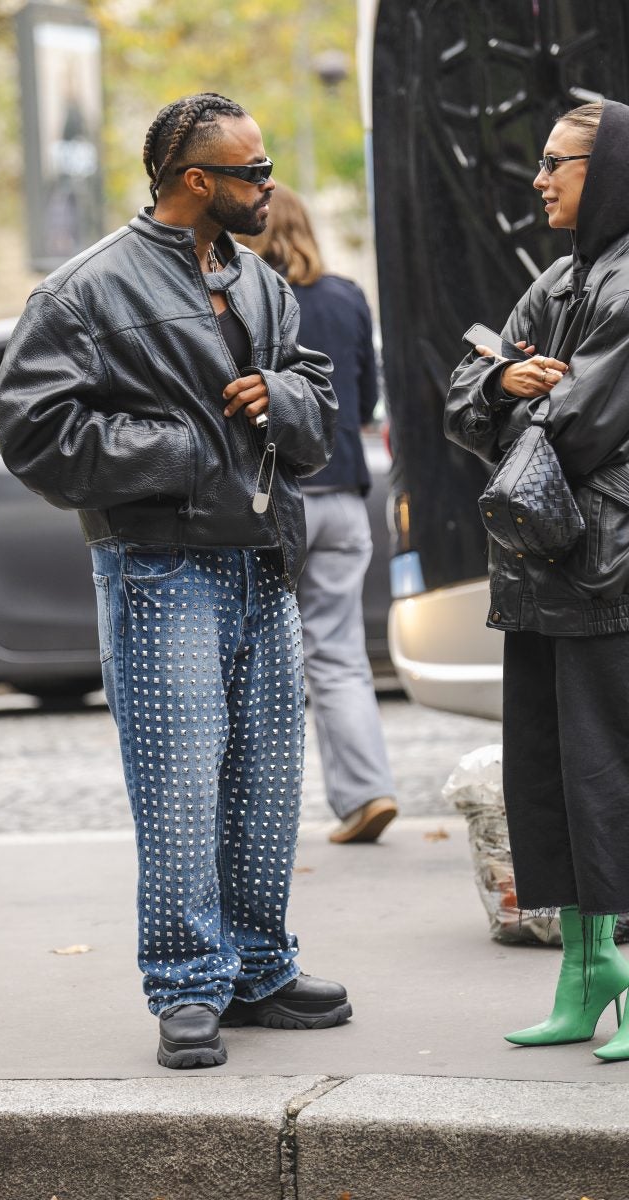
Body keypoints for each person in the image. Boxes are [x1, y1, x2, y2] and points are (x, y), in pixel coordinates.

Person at [0, 93, 350, 1069]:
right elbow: (31, 428)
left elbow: (318, 408)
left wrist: (277, 397)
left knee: (267, 783)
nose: (269, 185)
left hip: (260, 561)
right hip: (159, 568)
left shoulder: (261, 283)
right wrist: (186, 450)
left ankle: (258, 968)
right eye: (253, 172)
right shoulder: (84, 292)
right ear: (198, 182)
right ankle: (188, 986)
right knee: (181, 791)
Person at [445, 99, 629, 1061]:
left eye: (559, 163)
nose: (541, 179)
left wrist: (519, 391)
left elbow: (588, 423)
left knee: (616, 778)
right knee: (553, 780)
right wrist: (502, 382)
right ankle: (587, 970)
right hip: (540, 569)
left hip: (610, 571)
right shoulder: (557, 279)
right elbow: (462, 403)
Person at [242, 185, 397, 844]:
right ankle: (366, 793)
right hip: (345, 500)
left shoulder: (247, 302)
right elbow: (363, 403)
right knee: (338, 655)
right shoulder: (347, 297)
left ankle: (259, 817)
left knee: (258, 659)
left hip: (275, 499)